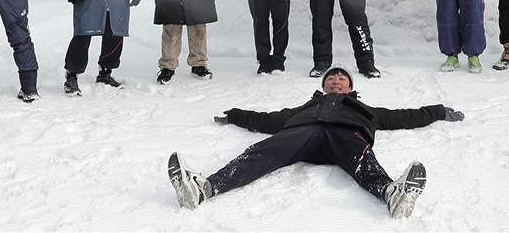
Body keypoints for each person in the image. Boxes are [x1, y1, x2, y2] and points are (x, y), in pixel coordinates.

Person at [166, 66, 465, 218]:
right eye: (331, 79)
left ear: (350, 87)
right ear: (323, 87)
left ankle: (393, 194)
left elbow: (404, 116)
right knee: (261, 152)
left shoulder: (365, 110)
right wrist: (235, 115)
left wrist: (438, 111)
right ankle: (203, 189)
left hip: (345, 135)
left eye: (341, 79)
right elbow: (267, 120)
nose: (336, 81)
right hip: (305, 133)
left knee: (364, 161)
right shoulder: (304, 109)